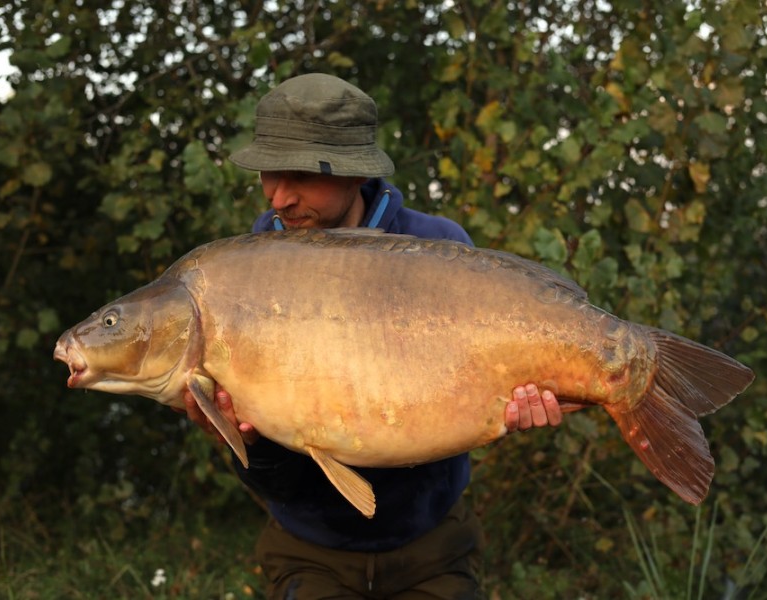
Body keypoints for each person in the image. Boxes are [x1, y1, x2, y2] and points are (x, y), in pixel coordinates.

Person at [182, 73, 563, 599]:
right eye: (270, 171)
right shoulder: (245, 274)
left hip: (433, 544)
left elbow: (466, 407)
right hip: (309, 547)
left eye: (300, 174)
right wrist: (245, 439)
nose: (278, 196)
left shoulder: (439, 247)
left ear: (353, 173)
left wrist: (520, 403)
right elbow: (273, 481)